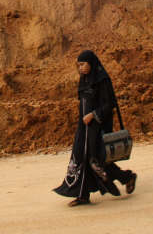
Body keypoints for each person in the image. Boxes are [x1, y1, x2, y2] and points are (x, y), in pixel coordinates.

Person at [53, 50, 137, 207]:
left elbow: (109, 104)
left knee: (97, 161)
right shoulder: (84, 79)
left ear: (91, 63)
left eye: (83, 64)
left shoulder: (102, 80)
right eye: (79, 65)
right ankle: (82, 195)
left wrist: (93, 115)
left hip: (98, 128)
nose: (81, 68)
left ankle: (127, 177)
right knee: (80, 158)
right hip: (84, 128)